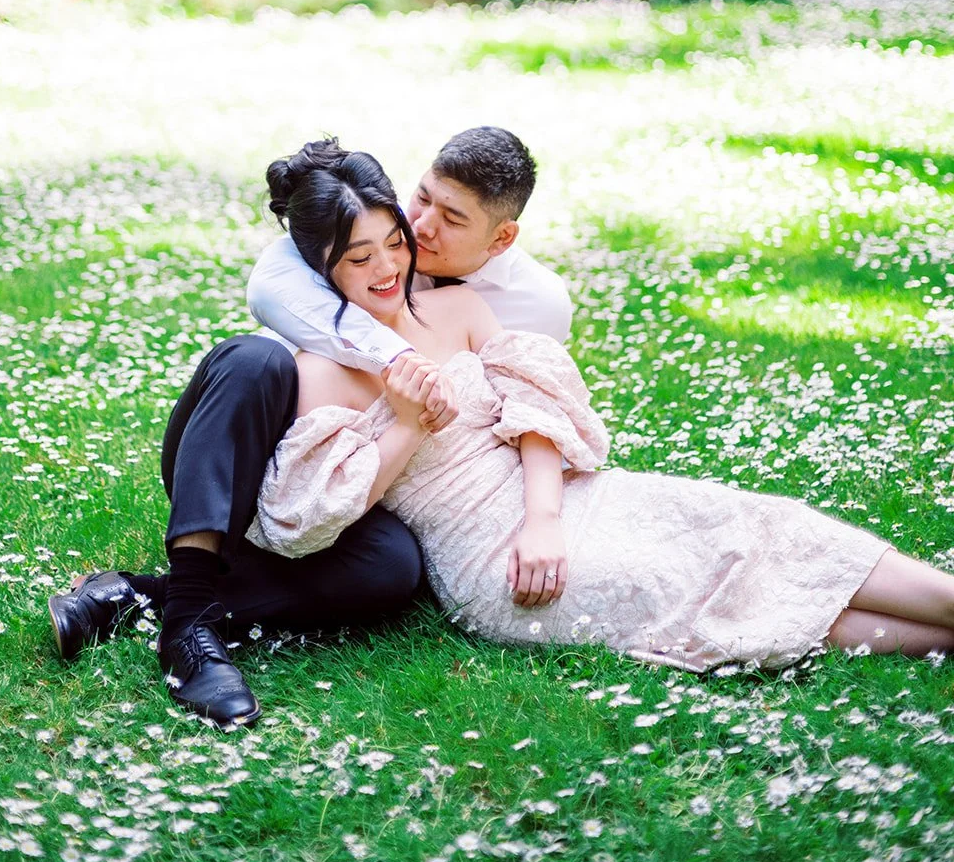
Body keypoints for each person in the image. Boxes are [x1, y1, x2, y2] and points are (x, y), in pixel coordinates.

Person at [249, 142, 954, 671]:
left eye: (393, 243)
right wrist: (405, 427)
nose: (387, 268)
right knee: (693, 591)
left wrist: (545, 518)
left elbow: (537, 410)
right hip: (485, 557)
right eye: (356, 257)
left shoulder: (458, 305)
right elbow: (305, 523)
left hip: (567, 502)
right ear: (319, 268)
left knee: (760, 525)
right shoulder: (322, 370)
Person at [47, 128, 572, 729]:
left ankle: (135, 598)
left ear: (501, 238)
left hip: (358, 482)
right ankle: (188, 629)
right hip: (237, 457)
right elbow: (270, 281)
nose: (420, 229)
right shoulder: (355, 222)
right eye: (421, 199)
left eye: (451, 219)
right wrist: (397, 359)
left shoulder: (534, 305)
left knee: (393, 569)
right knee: (255, 359)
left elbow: (518, 398)